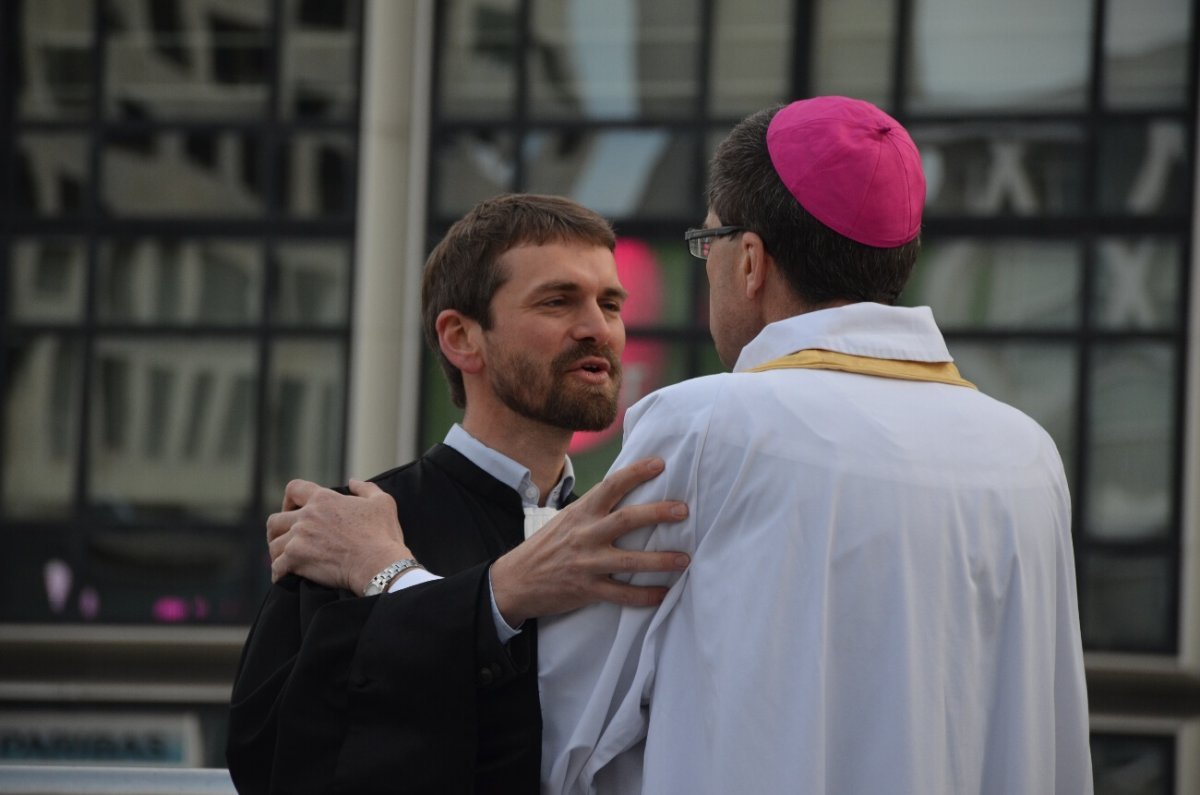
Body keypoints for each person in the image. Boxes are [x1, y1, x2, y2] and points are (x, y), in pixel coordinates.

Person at [535, 96, 1094, 793]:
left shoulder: (706, 426)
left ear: (749, 261)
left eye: (706, 244)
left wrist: (397, 579)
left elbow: (566, 708)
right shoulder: (1027, 453)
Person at [225, 193, 690, 794]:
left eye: (610, 303)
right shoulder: (345, 529)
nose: (597, 328)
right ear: (462, 338)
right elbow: (275, 759)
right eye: (557, 301)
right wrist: (485, 602)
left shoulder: (627, 539)